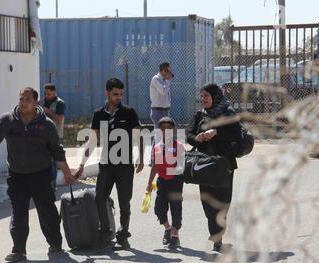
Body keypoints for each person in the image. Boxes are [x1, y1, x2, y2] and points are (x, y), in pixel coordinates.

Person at [0, 87, 75, 263]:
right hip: (17, 176)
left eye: (27, 99)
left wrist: (67, 173)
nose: (23, 102)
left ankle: (55, 242)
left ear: (36, 101)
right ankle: (19, 250)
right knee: (19, 213)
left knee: (47, 211)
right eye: (21, 99)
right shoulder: (9, 120)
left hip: (41, 175)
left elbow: (57, 152)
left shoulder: (47, 125)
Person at [75, 78, 144, 250]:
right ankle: (105, 232)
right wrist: (82, 164)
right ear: (107, 93)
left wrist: (140, 157)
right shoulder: (99, 114)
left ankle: (122, 235)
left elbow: (138, 136)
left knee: (124, 202)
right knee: (100, 198)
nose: (118, 97)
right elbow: (92, 140)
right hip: (106, 164)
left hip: (125, 165)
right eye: (115, 94)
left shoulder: (129, 112)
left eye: (121, 94)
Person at [187, 84, 242, 253]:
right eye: (201, 96)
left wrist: (217, 133)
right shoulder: (200, 115)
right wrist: (197, 137)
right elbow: (188, 134)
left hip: (224, 164)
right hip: (204, 165)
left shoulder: (228, 114)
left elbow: (237, 135)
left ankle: (218, 237)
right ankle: (216, 234)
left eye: (206, 96)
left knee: (223, 201)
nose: (203, 99)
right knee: (207, 202)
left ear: (215, 96)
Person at [146, 117, 185, 249]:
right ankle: (167, 228)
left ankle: (175, 236)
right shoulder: (156, 147)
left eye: (169, 128)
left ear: (173, 130)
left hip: (175, 182)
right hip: (162, 181)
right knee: (159, 209)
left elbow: (182, 165)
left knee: (176, 209)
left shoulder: (178, 146)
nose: (166, 131)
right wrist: (149, 183)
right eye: (163, 129)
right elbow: (155, 167)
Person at [41, 83, 67, 187]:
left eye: (49, 94)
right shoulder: (42, 102)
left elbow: (60, 119)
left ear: (54, 93)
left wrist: (48, 111)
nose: (46, 96)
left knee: (53, 161)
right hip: (42, 135)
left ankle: (52, 185)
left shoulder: (60, 103)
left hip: (56, 135)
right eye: (45, 94)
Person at [150, 62, 173, 142]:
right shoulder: (156, 79)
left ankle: (161, 152)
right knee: (159, 134)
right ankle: (154, 153)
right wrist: (168, 81)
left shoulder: (164, 80)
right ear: (163, 71)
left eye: (170, 71)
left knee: (164, 135)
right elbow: (163, 91)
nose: (169, 73)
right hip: (158, 110)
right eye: (168, 71)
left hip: (165, 110)